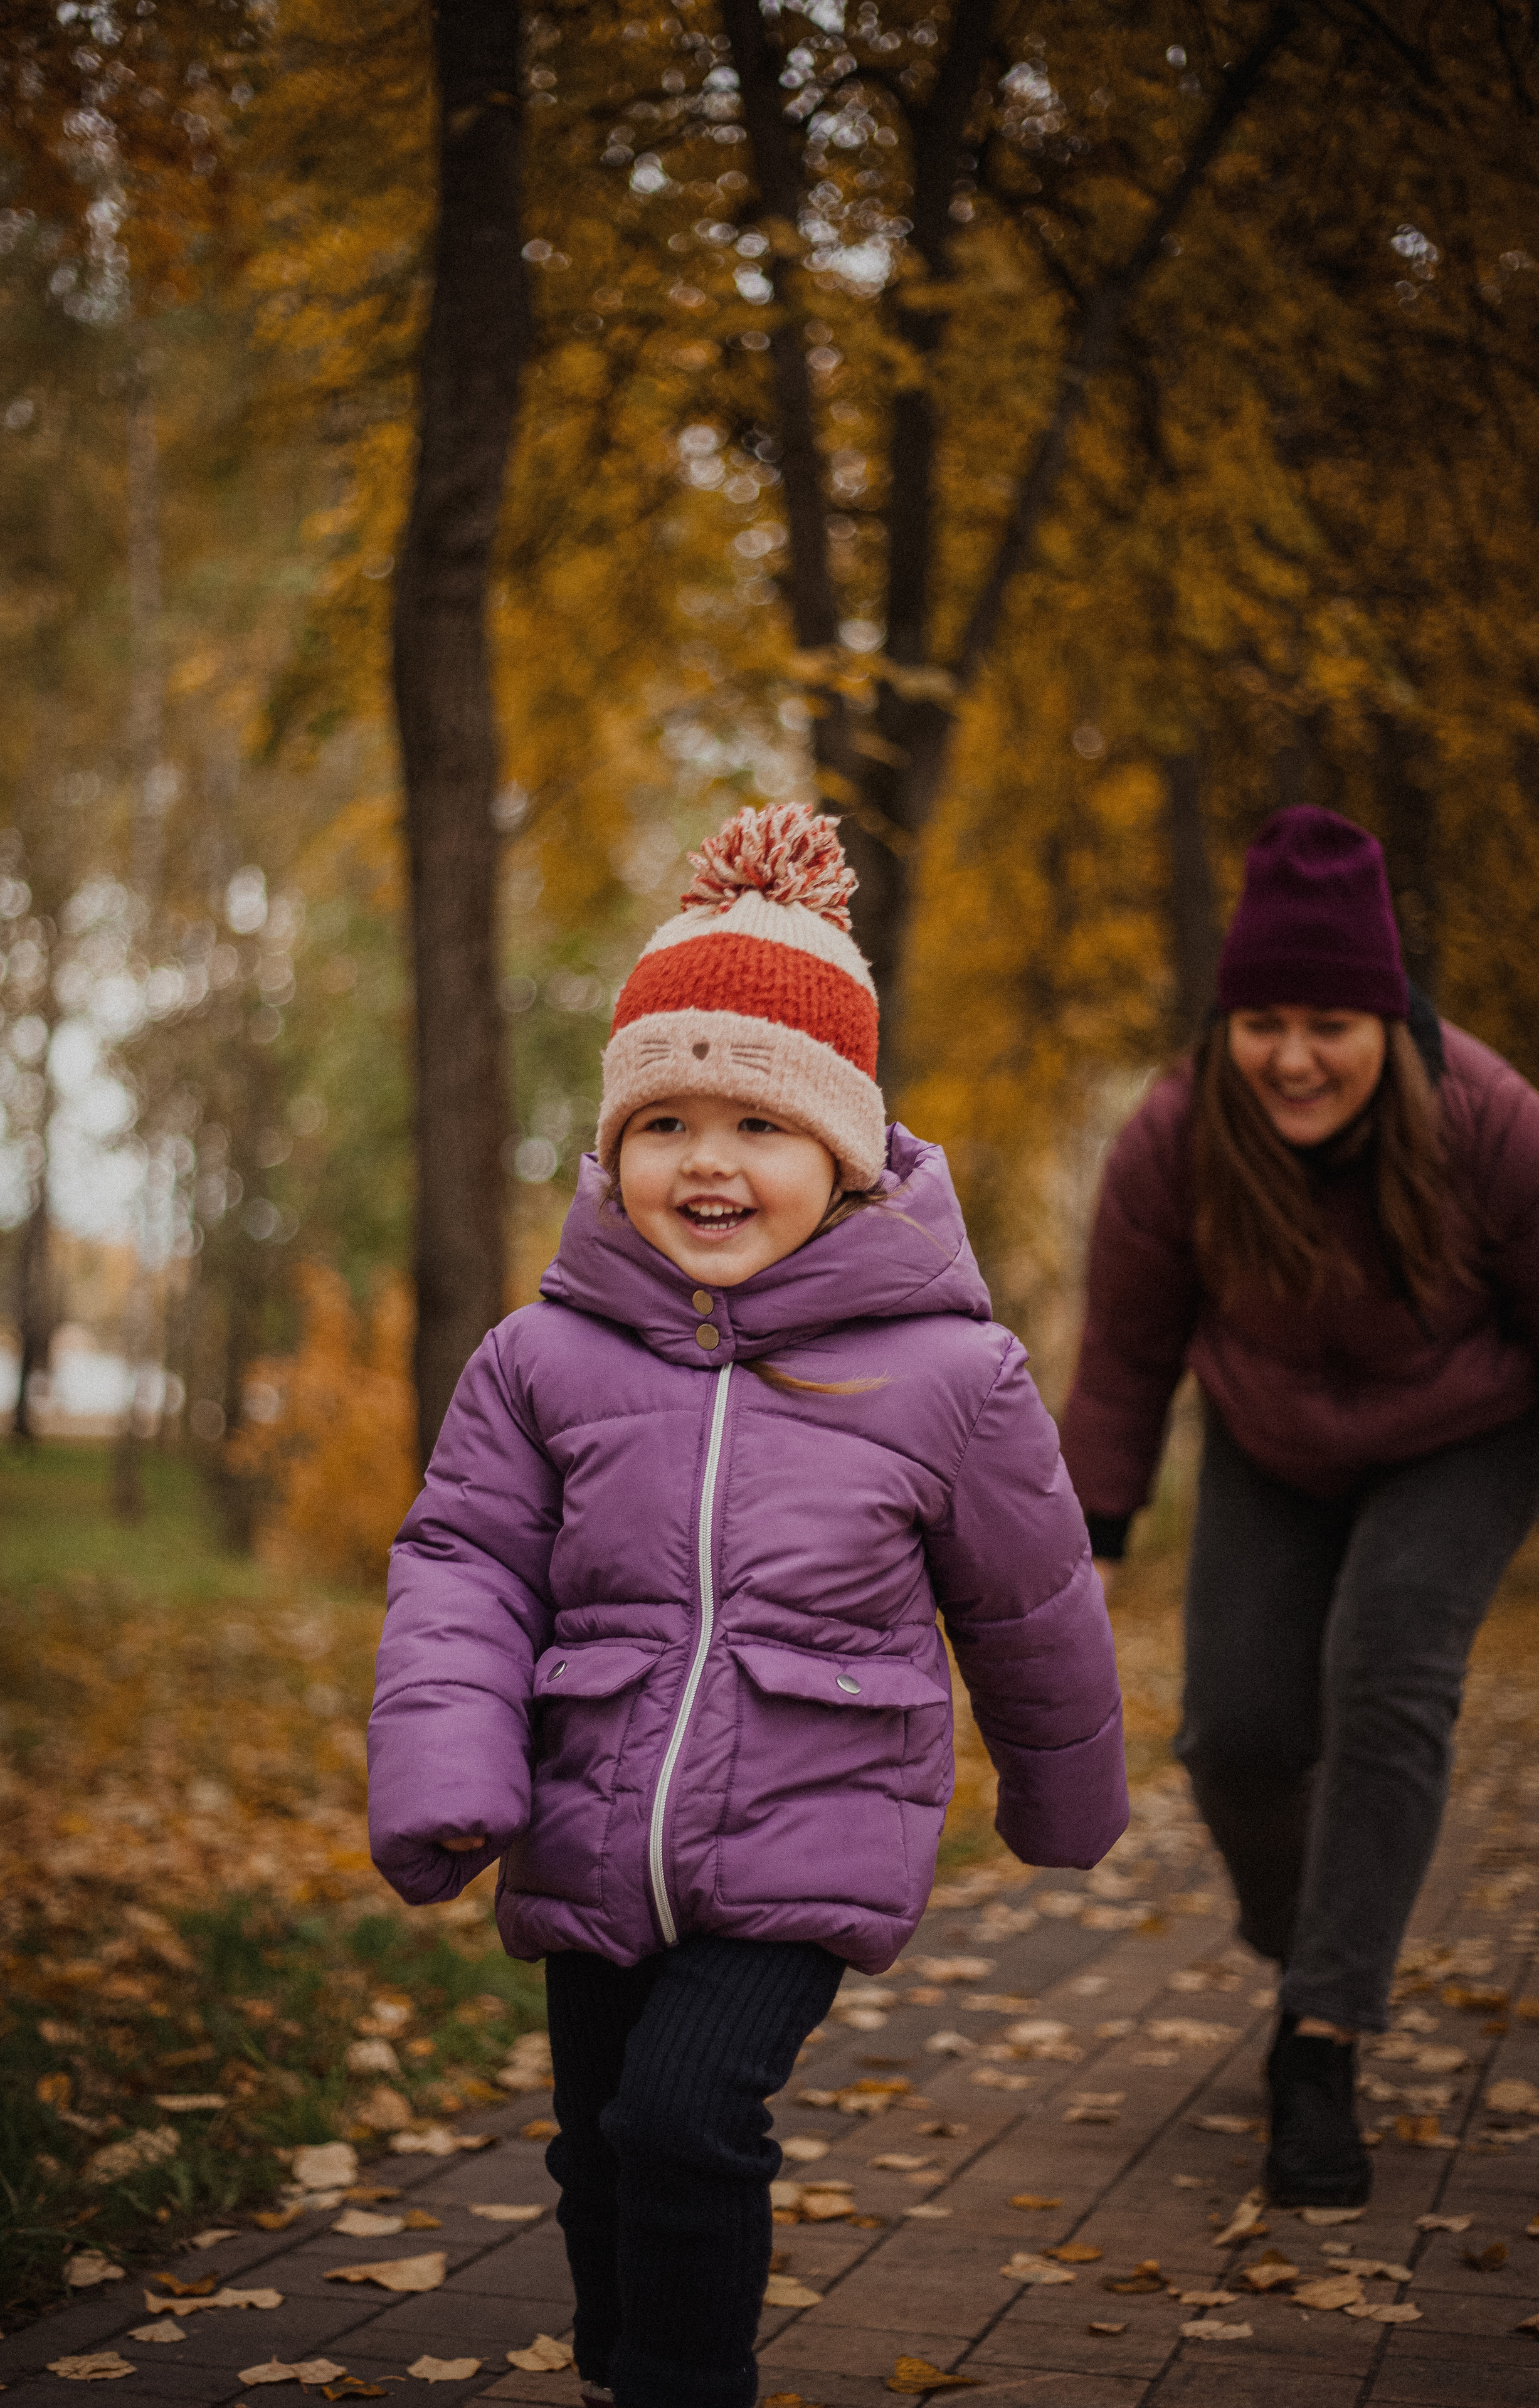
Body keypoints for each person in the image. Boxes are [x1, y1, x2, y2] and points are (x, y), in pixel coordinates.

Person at [369, 800, 1128, 2408]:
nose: (706, 1159)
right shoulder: (540, 1358)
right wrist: (449, 1773)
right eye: (663, 1123)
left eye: (757, 1126)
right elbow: (465, 1568)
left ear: (843, 1159)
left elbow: (1029, 1602)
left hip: (811, 1817)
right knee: (593, 2148)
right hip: (591, 1818)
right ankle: (618, 2365)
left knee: (683, 2120)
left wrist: (1064, 1801)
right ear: (611, 1149)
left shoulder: (948, 1376)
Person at [1061, 803, 1539, 2209]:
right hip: (1268, 1436)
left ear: (1384, 1017)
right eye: (1260, 1019)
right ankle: (1301, 1931)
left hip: (1465, 1427)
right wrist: (1090, 1536)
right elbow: (1126, 1348)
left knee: (1386, 1674)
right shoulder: (1173, 1136)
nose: (1289, 1055)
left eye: (1326, 1020)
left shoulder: (1487, 1121)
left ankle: (1317, 2046)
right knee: (1234, 1729)